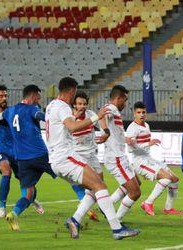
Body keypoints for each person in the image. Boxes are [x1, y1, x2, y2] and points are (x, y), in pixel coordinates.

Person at [45, 77, 139, 240]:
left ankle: (75, 220)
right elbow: (72, 127)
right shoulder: (62, 106)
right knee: (100, 186)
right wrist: (97, 117)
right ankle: (117, 229)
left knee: (95, 188)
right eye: (75, 92)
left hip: (58, 158)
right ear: (71, 90)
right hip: (65, 157)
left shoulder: (51, 105)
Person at [0, 85, 43, 217]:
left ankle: (31, 199)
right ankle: (2, 207)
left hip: (19, 153)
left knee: (27, 184)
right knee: (6, 171)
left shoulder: (13, 112)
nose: (4, 98)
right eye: (1, 96)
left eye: (5, 95)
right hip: (2, 151)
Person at [0, 85, 56, 230]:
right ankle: (85, 204)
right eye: (38, 97)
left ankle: (13, 213)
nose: (39, 100)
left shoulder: (9, 111)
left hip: (22, 160)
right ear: (33, 95)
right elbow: (42, 117)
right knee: (68, 173)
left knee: (29, 194)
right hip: (40, 155)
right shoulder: (32, 109)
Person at [124, 101, 181, 216]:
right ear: (134, 114)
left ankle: (168, 208)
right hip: (139, 161)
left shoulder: (146, 125)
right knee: (167, 178)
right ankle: (148, 203)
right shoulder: (132, 128)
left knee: (174, 179)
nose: (141, 115)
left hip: (148, 159)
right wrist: (148, 144)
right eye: (138, 112)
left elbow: (143, 144)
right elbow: (130, 149)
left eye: (143, 112)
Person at [98, 85, 142, 222]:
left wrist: (124, 138)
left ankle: (107, 205)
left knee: (137, 183)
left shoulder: (115, 110)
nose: (126, 103)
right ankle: (116, 221)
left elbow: (114, 130)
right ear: (119, 98)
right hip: (115, 158)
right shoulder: (110, 108)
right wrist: (106, 131)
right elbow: (101, 116)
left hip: (119, 156)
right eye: (125, 99)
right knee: (135, 192)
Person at [70, 90, 111, 222]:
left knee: (100, 184)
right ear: (74, 105)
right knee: (90, 184)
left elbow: (102, 122)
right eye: (79, 103)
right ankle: (88, 209)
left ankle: (94, 207)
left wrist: (106, 132)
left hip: (92, 154)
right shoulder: (69, 118)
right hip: (77, 155)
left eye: (84, 104)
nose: (82, 106)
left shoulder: (90, 114)